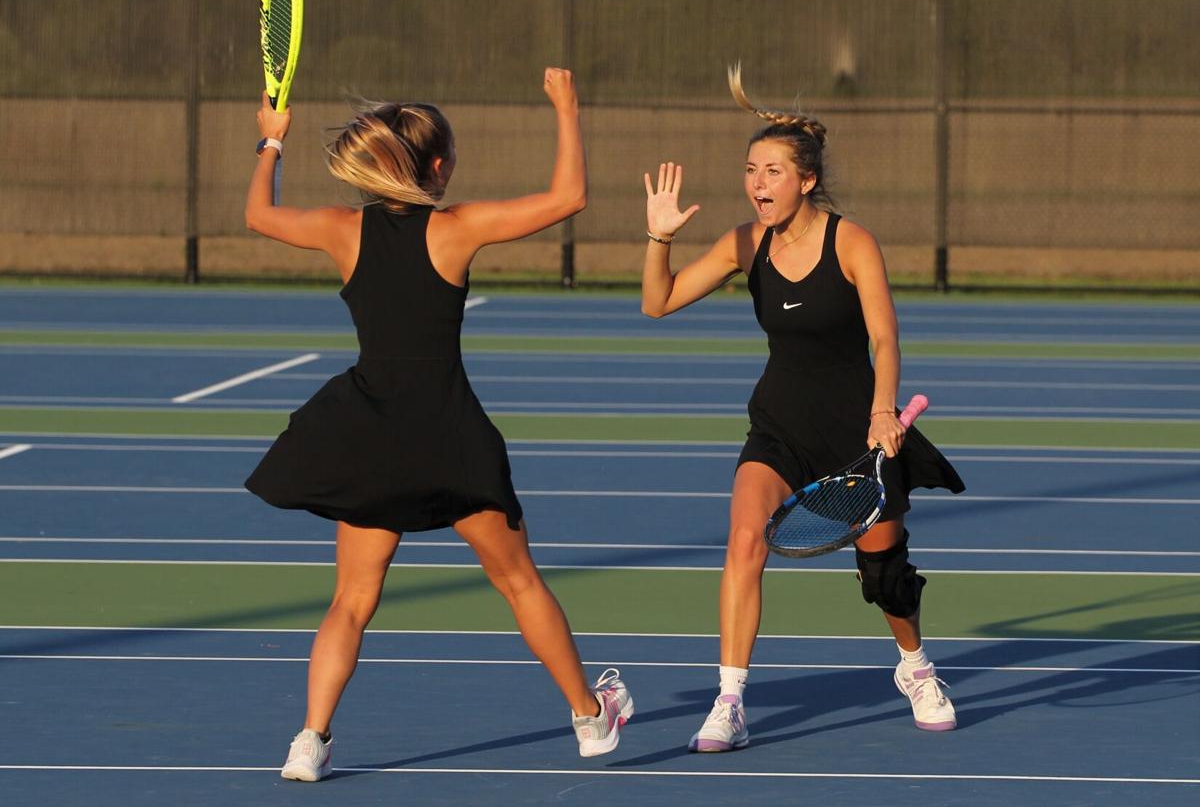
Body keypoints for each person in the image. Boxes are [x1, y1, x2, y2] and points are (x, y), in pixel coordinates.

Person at [243, 69, 633, 781]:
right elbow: (570, 197)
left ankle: (309, 740)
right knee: (519, 583)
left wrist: (271, 143)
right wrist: (568, 109)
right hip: (447, 434)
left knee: (351, 602)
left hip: (367, 433)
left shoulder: (342, 229)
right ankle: (589, 718)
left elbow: (260, 217)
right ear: (439, 166)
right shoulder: (456, 230)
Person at [640, 65, 965, 753]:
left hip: (856, 427)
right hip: (779, 426)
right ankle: (730, 700)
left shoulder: (851, 241)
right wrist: (659, 236)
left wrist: (883, 412)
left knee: (886, 573)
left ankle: (914, 666)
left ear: (806, 180)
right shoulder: (742, 243)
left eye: (773, 171)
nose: (758, 183)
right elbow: (657, 301)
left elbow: (884, 334)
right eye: (750, 169)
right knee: (743, 541)